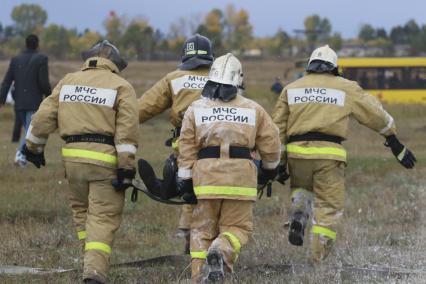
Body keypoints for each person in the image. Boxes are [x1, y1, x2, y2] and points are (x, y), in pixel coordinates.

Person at [272, 45, 417, 263]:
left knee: (303, 187)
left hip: (296, 155)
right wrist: (393, 139)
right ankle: (316, 262)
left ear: (310, 66)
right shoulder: (346, 87)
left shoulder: (291, 89)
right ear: (334, 67)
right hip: (329, 156)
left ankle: (299, 214)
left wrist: (278, 163)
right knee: (329, 209)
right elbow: (375, 114)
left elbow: (277, 129)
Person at [22, 40, 138, 284]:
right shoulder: (122, 86)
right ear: (115, 64)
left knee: (82, 212)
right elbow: (126, 132)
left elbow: (43, 117)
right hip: (105, 161)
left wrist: (33, 147)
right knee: (102, 218)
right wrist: (126, 167)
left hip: (72, 161)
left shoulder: (68, 81)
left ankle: (91, 259)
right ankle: (94, 274)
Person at [177, 53, 281, 281]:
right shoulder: (254, 109)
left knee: (202, 231)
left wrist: (184, 178)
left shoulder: (195, 108)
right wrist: (270, 169)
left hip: (205, 181)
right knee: (237, 228)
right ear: (238, 79)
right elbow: (271, 144)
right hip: (240, 182)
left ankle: (198, 277)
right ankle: (221, 250)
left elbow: (186, 145)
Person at [137, 34, 214, 253]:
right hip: (220, 147)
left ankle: (166, 188)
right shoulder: (224, 77)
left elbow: (142, 109)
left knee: (185, 184)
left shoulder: (174, 77)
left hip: (186, 147)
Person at [0, 34, 51, 166]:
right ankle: (20, 154)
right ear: (37, 44)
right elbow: (43, 82)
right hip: (34, 102)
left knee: (29, 130)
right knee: (30, 132)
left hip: (19, 103)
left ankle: (23, 157)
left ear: (26, 44)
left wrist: (2, 100)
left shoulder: (16, 59)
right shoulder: (41, 58)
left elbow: (6, 82)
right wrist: (50, 97)